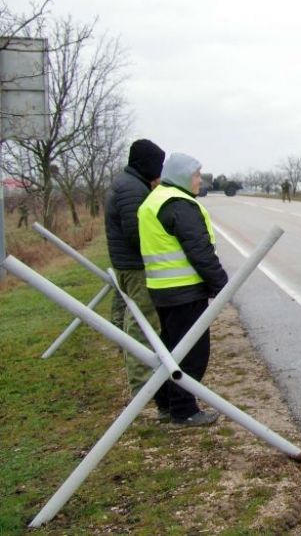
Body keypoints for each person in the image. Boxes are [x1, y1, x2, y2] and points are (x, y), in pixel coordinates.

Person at [138, 152, 228, 427]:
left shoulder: (155, 200)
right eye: (196, 175)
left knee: (171, 350)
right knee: (192, 354)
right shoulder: (179, 205)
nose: (200, 180)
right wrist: (221, 285)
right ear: (181, 176)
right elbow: (199, 251)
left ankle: (166, 403)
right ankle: (184, 410)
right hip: (184, 291)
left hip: (162, 288)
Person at [104, 139, 166, 401]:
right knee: (143, 325)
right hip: (135, 267)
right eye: (157, 165)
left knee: (130, 319)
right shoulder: (133, 190)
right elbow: (136, 234)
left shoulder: (128, 183)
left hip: (125, 264)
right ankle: (144, 387)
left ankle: (140, 376)